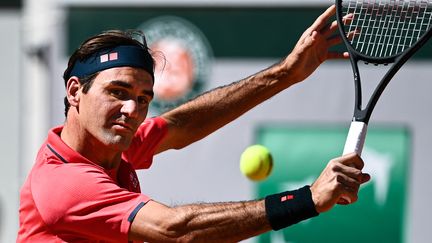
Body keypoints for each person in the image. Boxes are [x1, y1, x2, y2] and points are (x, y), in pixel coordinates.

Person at [17, 5, 370, 243]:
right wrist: (306, 199)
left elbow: (181, 123)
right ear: (75, 91)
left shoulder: (109, 144)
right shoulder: (62, 183)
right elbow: (174, 230)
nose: (132, 109)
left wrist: (285, 74)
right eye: (118, 92)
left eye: (143, 98)